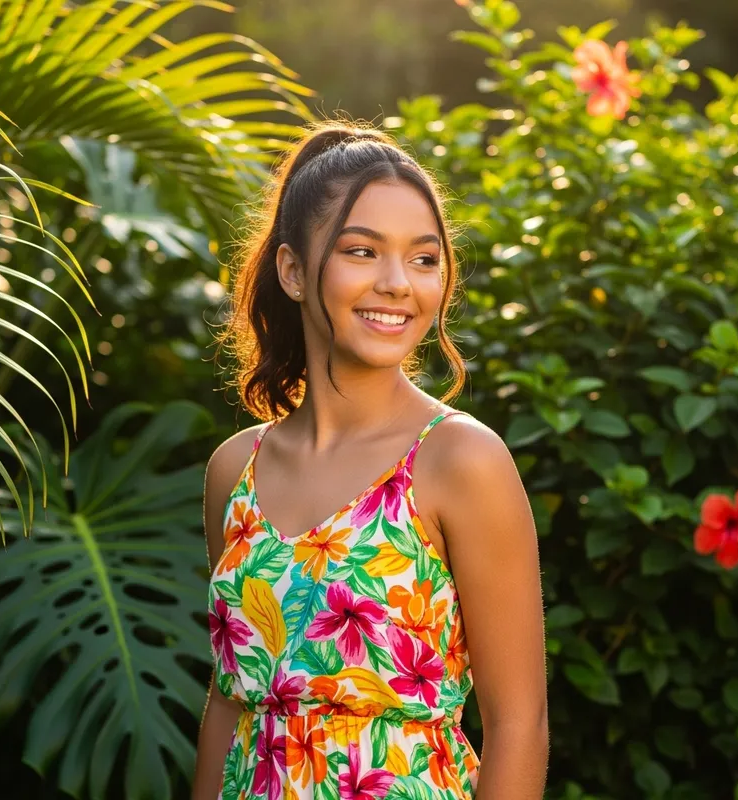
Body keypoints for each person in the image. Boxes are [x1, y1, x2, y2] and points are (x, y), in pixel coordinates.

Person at [192, 120, 549, 800]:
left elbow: (518, 724)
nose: (397, 284)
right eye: (362, 252)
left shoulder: (460, 459)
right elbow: (228, 699)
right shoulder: (232, 471)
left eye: (423, 259)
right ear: (294, 271)